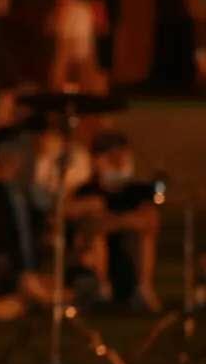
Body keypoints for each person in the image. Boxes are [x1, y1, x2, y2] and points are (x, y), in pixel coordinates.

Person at [0, 127, 59, 320]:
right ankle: (33, 299)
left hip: (29, 275)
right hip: (3, 276)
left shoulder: (32, 197)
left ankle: (33, 299)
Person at [68, 131, 162, 312]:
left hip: (127, 257)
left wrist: (115, 221)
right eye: (111, 157)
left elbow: (148, 221)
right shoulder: (87, 192)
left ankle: (144, 288)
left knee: (144, 232)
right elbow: (89, 224)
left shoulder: (135, 192)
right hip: (93, 259)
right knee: (96, 233)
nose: (118, 162)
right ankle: (102, 290)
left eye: (121, 156)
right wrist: (124, 221)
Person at [0, 0, 52, 124]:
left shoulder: (37, 2)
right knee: (9, 107)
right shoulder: (17, 0)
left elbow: (31, 33)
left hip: (29, 66)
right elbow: (2, 20)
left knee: (24, 111)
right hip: (14, 64)